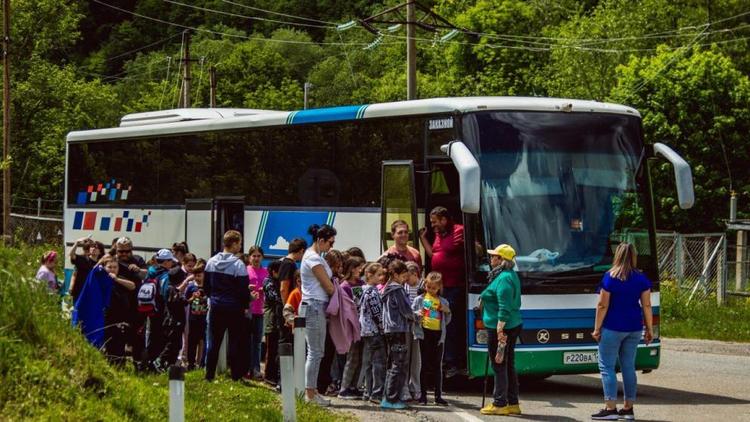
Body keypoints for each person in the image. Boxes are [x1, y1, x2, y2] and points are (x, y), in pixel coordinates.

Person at [591, 243, 654, 421]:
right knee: (628, 366)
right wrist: (649, 329)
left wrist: (596, 329)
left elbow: (602, 305)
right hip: (634, 328)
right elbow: (647, 305)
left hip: (612, 327)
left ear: (617, 256)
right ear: (634, 256)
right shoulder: (641, 278)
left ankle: (610, 408)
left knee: (607, 366)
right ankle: (628, 408)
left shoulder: (609, 278)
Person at [419, 206, 465, 376]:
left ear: (444, 220)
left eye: (435, 222)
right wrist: (423, 239)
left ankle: (452, 362)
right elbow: (435, 255)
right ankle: (442, 361)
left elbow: (472, 249)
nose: (433, 226)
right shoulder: (439, 235)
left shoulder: (460, 231)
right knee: (436, 322)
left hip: (454, 287)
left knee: (449, 324)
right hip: (439, 289)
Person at [204, 230, 256, 382]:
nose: (240, 246)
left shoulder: (211, 262)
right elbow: (242, 290)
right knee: (234, 342)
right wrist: (248, 301)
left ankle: (209, 376)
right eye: (239, 243)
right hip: (234, 309)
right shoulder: (238, 265)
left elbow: (207, 287)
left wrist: (213, 298)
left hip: (216, 307)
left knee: (214, 342)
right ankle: (235, 376)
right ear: (233, 244)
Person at [479, 244, 522, 416]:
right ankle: (513, 403)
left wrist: (499, 328)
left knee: (499, 365)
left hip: (502, 327)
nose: (491, 259)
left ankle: (499, 403)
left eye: (494, 256)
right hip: (512, 325)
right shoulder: (509, 275)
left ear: (502, 260)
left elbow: (504, 305)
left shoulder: (504, 278)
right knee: (508, 365)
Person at [301, 224, 337, 406]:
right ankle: (310, 394)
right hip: (314, 305)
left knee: (316, 351)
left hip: (316, 306)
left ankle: (312, 391)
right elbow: (328, 286)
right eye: (330, 242)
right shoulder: (313, 259)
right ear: (321, 240)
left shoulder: (315, 257)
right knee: (315, 352)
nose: (331, 247)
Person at [73, 255, 133, 349]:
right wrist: (100, 263)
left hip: (119, 317)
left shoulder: (120, 278)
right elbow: (92, 274)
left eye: (115, 267)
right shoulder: (99, 279)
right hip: (105, 316)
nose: (112, 269)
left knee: (118, 345)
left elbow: (132, 286)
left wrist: (116, 279)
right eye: (109, 267)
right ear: (104, 267)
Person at [413, 272, 451, 405]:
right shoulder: (419, 299)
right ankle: (423, 395)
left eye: (434, 288)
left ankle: (438, 396)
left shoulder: (443, 301)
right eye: (428, 287)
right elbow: (413, 316)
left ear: (439, 287)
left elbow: (447, 320)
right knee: (424, 364)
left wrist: (446, 311)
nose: (431, 290)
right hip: (424, 333)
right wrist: (418, 314)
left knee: (437, 366)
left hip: (438, 336)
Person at [381, 259, 415, 410]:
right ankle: (392, 398)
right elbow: (406, 310)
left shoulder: (387, 288)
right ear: (394, 274)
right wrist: (417, 316)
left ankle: (388, 396)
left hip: (389, 329)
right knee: (398, 364)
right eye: (403, 276)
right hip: (399, 329)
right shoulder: (398, 290)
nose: (405, 279)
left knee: (392, 363)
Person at [112, 237, 148, 371]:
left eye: (127, 251)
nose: (124, 254)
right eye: (121, 251)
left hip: (135, 305)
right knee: (117, 336)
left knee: (137, 337)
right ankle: (118, 365)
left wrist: (138, 270)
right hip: (118, 304)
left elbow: (147, 274)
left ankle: (138, 364)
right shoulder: (113, 261)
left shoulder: (137, 260)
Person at [144, 248, 179, 372]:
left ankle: (148, 362)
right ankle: (156, 365)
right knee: (162, 338)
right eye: (170, 261)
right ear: (165, 262)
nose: (172, 264)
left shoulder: (150, 271)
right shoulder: (165, 275)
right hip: (161, 310)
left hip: (149, 308)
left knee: (151, 337)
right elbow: (165, 295)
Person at [359, 262, 387, 403]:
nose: (381, 277)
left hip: (366, 331)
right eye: (378, 274)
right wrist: (383, 329)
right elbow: (377, 313)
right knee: (378, 363)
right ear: (369, 275)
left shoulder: (363, 290)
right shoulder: (372, 292)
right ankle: (376, 393)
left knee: (369, 363)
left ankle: (368, 391)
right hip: (375, 332)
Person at [401, 260, 422, 402]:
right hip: (406, 325)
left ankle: (416, 387)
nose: (406, 280)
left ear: (415, 274)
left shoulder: (424, 286)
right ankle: (405, 388)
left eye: (408, 277)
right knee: (405, 357)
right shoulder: (403, 287)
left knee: (417, 359)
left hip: (419, 326)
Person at [246, 246, 267, 380]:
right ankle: (247, 368)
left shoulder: (266, 272)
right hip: (247, 310)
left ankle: (256, 369)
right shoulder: (245, 270)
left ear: (262, 257)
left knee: (258, 342)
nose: (256, 258)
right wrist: (248, 288)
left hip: (260, 310)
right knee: (247, 340)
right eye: (253, 256)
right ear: (249, 257)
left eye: (258, 255)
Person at [263, 260, 284, 385]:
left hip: (277, 319)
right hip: (271, 319)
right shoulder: (268, 282)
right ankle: (268, 375)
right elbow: (274, 297)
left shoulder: (277, 282)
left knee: (276, 349)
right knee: (271, 349)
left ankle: (274, 374)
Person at [185, 262, 208, 370]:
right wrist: (192, 298)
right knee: (192, 341)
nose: (197, 278)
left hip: (204, 319)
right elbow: (186, 301)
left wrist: (205, 298)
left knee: (203, 340)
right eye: (195, 276)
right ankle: (191, 363)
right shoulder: (191, 287)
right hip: (193, 318)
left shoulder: (208, 287)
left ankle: (201, 362)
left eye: (199, 275)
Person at [68, 237, 104, 303]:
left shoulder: (101, 264)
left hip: (92, 294)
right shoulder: (83, 259)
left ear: (100, 252)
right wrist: (76, 243)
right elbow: (71, 254)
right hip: (79, 293)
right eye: (92, 247)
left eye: (96, 247)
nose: (94, 248)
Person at [279, 238, 307, 303]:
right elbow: (283, 288)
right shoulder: (288, 264)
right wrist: (286, 306)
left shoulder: (287, 262)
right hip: (286, 305)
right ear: (302, 251)